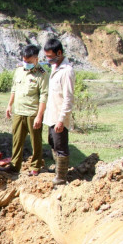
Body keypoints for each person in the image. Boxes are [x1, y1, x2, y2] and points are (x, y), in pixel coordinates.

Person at [4, 44, 49, 176]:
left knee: (36, 141)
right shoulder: (19, 70)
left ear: (36, 59)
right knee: (17, 141)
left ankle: (35, 167)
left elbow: (43, 97)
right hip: (18, 111)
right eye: (24, 60)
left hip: (32, 113)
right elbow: (14, 89)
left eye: (28, 61)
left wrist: (39, 116)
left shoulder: (42, 74)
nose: (26, 63)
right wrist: (9, 105)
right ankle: (14, 166)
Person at [43, 38, 75, 186]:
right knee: (53, 143)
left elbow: (68, 98)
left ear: (59, 52)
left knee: (61, 146)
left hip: (59, 117)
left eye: (50, 56)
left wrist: (61, 120)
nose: (48, 59)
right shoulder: (55, 68)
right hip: (51, 115)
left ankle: (61, 177)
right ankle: (58, 170)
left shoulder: (67, 71)